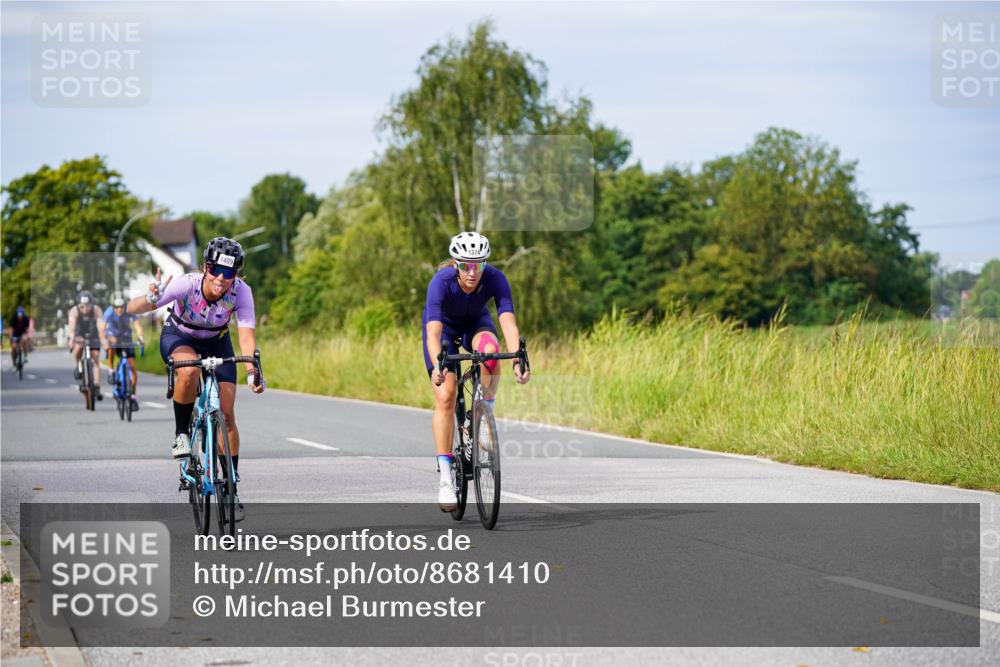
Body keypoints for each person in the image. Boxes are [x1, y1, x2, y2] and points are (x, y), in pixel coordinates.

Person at [127, 238, 263, 516]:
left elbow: (246, 337)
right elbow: (132, 308)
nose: (222, 279)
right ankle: (181, 435)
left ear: (237, 275)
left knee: (226, 415)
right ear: (205, 267)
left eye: (230, 274)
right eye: (216, 271)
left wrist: (252, 370)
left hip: (217, 341)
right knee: (188, 371)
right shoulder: (186, 284)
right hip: (180, 337)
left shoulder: (241, 292)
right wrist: (152, 297)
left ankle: (231, 487)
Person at [422, 231, 530, 511]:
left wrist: (517, 357)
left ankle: (482, 414)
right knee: (446, 394)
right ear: (456, 264)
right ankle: (446, 475)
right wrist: (437, 366)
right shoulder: (441, 282)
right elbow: (432, 333)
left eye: (479, 265)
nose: (473, 272)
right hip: (444, 331)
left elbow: (507, 321)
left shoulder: (495, 278)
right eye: (466, 265)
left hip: (475, 324)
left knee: (491, 353)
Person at [101, 294, 145, 413]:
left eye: (121, 307)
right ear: (113, 307)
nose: (119, 309)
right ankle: (111, 370)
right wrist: (104, 340)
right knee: (112, 343)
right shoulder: (108, 312)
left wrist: (141, 337)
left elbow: (137, 325)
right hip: (113, 336)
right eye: (116, 307)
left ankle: (133, 396)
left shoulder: (129, 311)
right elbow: (102, 329)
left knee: (132, 368)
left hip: (126, 338)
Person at [68, 291, 105, 400]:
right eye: (82, 306)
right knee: (78, 349)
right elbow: (72, 327)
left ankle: (97, 386)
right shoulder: (74, 311)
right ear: (79, 305)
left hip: (93, 334)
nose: (85, 309)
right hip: (79, 333)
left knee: (96, 356)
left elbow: (100, 326)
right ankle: (79, 365)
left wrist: (103, 339)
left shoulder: (97, 310)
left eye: (88, 306)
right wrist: (71, 338)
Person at [7, 306, 31, 371]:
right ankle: (14, 364)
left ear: (23, 314)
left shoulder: (26, 319)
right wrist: (11, 337)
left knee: (25, 339)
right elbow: (11, 329)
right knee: (14, 348)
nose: (20, 317)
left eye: (21, 315)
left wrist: (28, 335)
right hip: (15, 333)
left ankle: (25, 355)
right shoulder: (13, 318)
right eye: (19, 315)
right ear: (17, 314)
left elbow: (27, 329)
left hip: (23, 333)